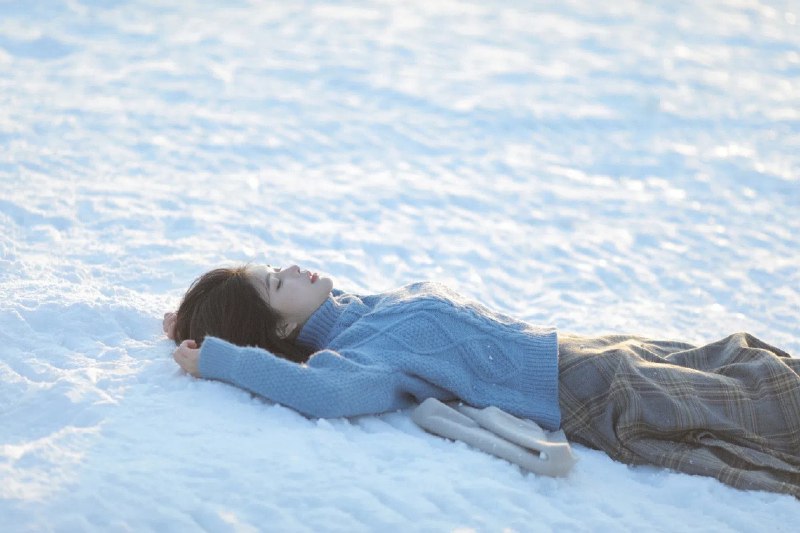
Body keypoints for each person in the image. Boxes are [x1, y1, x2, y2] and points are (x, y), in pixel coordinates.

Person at [164, 263, 800, 498]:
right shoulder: (358, 357)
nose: (293, 266)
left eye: (274, 266)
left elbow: (285, 319)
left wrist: (193, 317)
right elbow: (322, 395)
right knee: (767, 402)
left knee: (747, 361)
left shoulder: (359, 312)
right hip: (586, 390)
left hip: (581, 349)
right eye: (277, 283)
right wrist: (221, 356)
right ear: (280, 329)